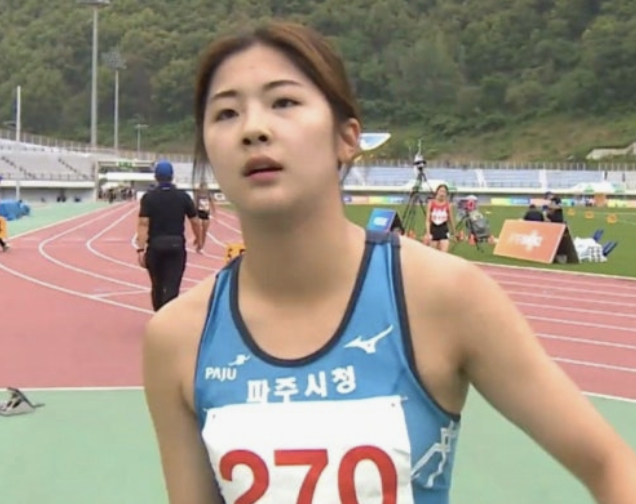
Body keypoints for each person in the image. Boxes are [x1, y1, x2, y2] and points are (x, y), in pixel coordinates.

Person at [142, 20, 636, 504]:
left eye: (284, 102)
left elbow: (611, 464)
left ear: (347, 138)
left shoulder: (443, 295)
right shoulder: (178, 338)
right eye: (227, 113)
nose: (253, 129)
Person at [135, 160, 203, 312]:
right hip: (176, 245)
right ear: (172, 176)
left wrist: (140, 249)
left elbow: (143, 224)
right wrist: (199, 239)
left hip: (155, 246)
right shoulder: (183, 197)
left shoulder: (148, 198)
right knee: (172, 285)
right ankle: (168, 315)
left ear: (156, 177)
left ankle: (159, 313)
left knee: (157, 285)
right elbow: (195, 221)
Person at [424, 183, 455, 252]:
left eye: (444, 192)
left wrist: (454, 232)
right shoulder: (431, 203)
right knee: (433, 253)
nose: (442, 194)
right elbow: (427, 220)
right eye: (441, 191)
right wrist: (428, 233)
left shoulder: (448, 205)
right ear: (437, 192)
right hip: (433, 229)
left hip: (443, 230)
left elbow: (451, 220)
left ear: (446, 194)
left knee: (443, 254)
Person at [193, 181, 215, 248]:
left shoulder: (209, 194)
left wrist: (214, 211)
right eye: (203, 187)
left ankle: (202, 245)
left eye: (205, 187)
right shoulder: (197, 193)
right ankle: (197, 238)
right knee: (199, 228)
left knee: (204, 230)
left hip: (206, 213)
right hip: (199, 212)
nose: (204, 188)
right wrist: (194, 212)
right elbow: (195, 203)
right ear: (200, 187)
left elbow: (212, 202)